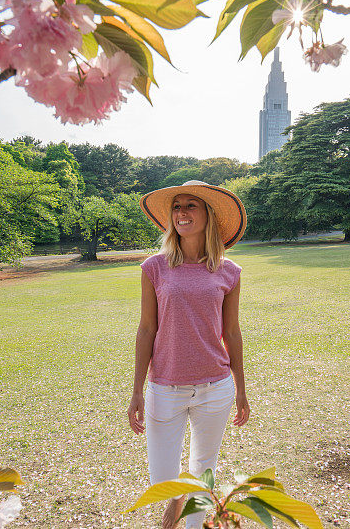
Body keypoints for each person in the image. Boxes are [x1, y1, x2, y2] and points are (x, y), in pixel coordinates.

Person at [127, 180, 251, 529]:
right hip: (166, 387)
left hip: (217, 387)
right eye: (177, 206)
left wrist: (241, 388)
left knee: (203, 467)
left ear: (209, 215)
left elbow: (231, 332)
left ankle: (193, 521)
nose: (181, 212)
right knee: (162, 479)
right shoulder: (155, 267)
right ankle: (175, 500)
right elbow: (147, 329)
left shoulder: (229, 271)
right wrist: (137, 390)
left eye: (190, 205)